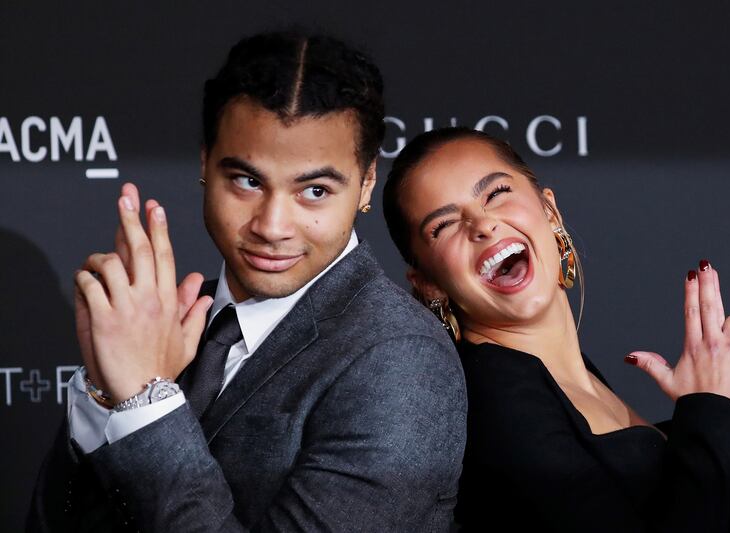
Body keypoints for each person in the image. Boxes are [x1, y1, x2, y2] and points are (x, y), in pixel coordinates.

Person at [27, 31, 467, 532]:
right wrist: (106, 393)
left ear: (366, 182)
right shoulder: (164, 329)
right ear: (204, 163)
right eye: (248, 181)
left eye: (315, 191)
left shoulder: (402, 359)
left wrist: (144, 401)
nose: (272, 226)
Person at [382, 127, 730, 532]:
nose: (482, 225)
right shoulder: (494, 398)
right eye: (443, 225)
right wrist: (717, 418)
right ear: (429, 282)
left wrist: (713, 414)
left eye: (496, 193)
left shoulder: (559, 376)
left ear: (549, 211)